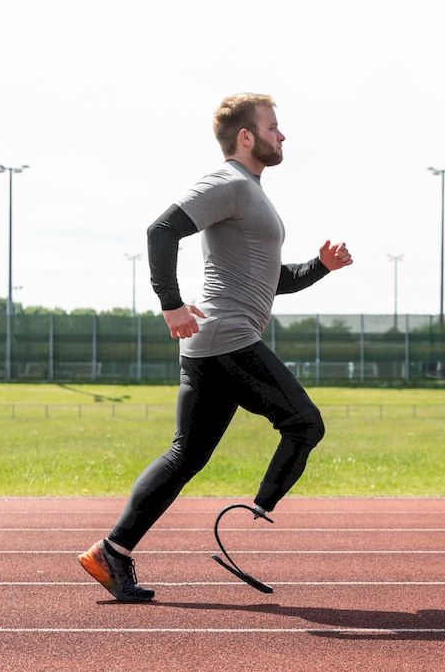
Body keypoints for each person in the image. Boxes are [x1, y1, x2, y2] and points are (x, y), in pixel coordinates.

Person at [78, 93, 354, 602]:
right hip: (227, 338)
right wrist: (171, 303)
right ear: (245, 136)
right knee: (304, 424)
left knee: (187, 454)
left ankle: (112, 552)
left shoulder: (249, 193)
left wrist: (320, 268)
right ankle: (258, 509)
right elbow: (162, 229)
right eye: (273, 127)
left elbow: (271, 280)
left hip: (213, 344)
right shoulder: (229, 181)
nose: (282, 135)